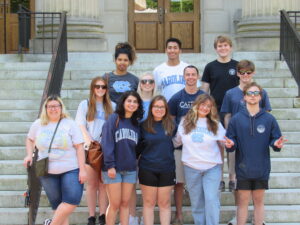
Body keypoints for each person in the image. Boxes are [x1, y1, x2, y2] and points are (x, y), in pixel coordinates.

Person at [224, 82, 286, 225]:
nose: (253, 96)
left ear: (260, 97)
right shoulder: (236, 119)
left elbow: (275, 138)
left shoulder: (269, 119)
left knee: (259, 201)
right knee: (242, 202)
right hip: (243, 167)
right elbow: (230, 141)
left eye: (256, 93)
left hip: (261, 167)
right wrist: (230, 145)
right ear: (244, 97)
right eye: (249, 93)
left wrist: (276, 144)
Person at [23, 95, 87, 225]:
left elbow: (80, 147)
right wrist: (29, 155)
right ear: (45, 108)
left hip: (71, 169)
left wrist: (83, 169)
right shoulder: (38, 124)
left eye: (56, 106)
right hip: (47, 172)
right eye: (50, 106)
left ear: (61, 108)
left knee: (71, 201)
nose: (53, 109)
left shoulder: (69, 123)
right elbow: (30, 139)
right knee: (58, 206)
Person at [173, 93, 226, 225]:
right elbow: (176, 142)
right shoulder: (185, 121)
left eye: (208, 106)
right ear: (197, 105)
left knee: (211, 200)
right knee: (196, 203)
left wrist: (230, 143)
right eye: (203, 104)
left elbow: (225, 142)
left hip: (212, 167)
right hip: (191, 167)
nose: (205, 108)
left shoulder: (215, 124)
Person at [221, 60, 272, 192]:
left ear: (253, 73)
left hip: (255, 136)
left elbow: (266, 114)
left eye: (248, 72)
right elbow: (227, 115)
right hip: (236, 134)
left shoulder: (261, 92)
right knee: (233, 163)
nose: (245, 75)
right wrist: (229, 133)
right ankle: (232, 179)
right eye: (242, 72)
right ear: (237, 73)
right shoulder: (230, 93)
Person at [201, 35, 239, 194]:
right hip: (215, 111)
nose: (223, 48)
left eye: (225, 45)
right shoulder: (210, 67)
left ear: (230, 47)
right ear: (215, 48)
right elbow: (204, 90)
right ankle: (220, 178)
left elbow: (243, 88)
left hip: (233, 111)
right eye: (219, 46)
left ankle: (232, 178)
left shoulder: (237, 66)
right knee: (218, 146)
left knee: (232, 146)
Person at [167, 65, 205, 225]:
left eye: (193, 74)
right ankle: (179, 214)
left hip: (201, 148)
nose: (190, 77)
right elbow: (169, 121)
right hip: (180, 148)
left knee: (199, 183)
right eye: (187, 74)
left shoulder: (203, 96)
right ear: (184, 77)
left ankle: (202, 215)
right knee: (179, 182)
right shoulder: (176, 98)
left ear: (198, 76)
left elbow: (211, 119)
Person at [75, 76, 115, 225]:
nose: (100, 89)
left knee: (103, 184)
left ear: (106, 89)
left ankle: (103, 215)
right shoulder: (85, 104)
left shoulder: (112, 106)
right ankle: (91, 216)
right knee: (91, 184)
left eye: (103, 87)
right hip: (90, 148)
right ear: (92, 88)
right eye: (97, 86)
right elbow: (80, 124)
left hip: (106, 149)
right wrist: (89, 139)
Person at [101, 91, 143, 225]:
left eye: (135, 102)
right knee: (114, 204)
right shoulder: (114, 118)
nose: (132, 104)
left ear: (138, 105)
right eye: (129, 101)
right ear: (123, 102)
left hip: (130, 169)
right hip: (113, 169)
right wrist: (110, 165)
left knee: (125, 204)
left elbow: (136, 148)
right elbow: (107, 142)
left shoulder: (136, 124)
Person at [137, 95, 176, 225]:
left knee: (164, 203)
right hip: (148, 168)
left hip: (167, 168)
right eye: (156, 106)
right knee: (149, 203)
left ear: (166, 109)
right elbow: (137, 148)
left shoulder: (172, 125)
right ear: (151, 108)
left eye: (162, 107)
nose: (159, 109)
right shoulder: (143, 126)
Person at [153, 37, 189, 102]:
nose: (172, 50)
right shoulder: (158, 70)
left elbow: (196, 88)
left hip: (184, 106)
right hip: (166, 107)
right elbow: (154, 91)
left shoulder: (188, 68)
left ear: (180, 51)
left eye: (175, 48)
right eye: (169, 48)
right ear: (165, 50)